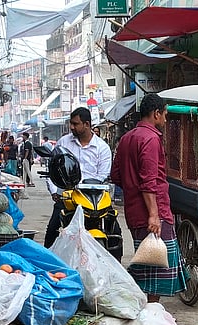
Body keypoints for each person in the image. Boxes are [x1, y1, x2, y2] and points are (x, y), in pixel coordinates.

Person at [109, 93, 185, 302]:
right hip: (153, 211)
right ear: (156, 113)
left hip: (134, 211)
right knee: (156, 268)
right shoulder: (151, 139)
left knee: (145, 263)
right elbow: (149, 181)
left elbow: (116, 175)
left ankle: (146, 310)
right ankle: (151, 312)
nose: (166, 120)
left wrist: (132, 188)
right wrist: (154, 215)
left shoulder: (126, 139)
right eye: (165, 115)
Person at [45, 107, 113, 246]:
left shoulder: (102, 148)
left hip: (93, 199)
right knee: (52, 229)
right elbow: (51, 168)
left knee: (113, 229)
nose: (71, 127)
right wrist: (54, 191)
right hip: (67, 197)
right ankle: (47, 262)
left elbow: (103, 175)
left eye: (75, 124)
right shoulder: (63, 143)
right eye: (71, 123)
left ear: (87, 124)